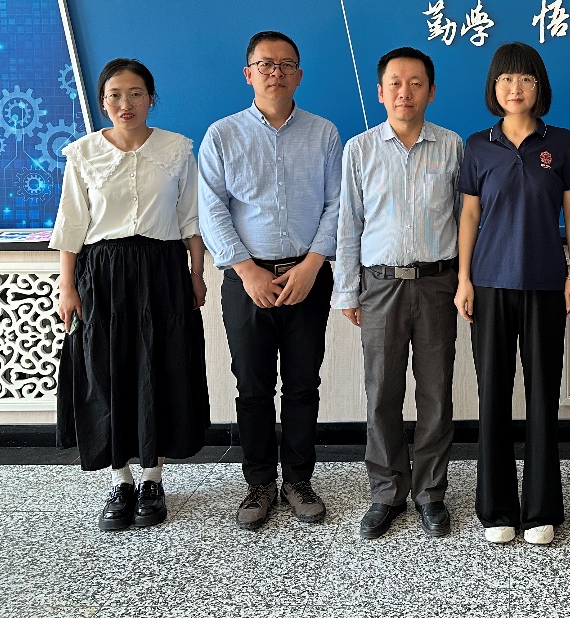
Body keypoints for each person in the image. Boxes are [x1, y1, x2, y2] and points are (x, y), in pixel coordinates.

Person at [52, 58, 209, 531]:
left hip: (163, 271)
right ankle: (119, 479)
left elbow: (190, 219)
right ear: (103, 102)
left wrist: (196, 274)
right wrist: (66, 286)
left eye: (136, 93)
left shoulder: (177, 149)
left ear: (151, 98)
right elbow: (71, 225)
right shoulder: (83, 154)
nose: (126, 103)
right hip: (101, 273)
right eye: (115, 95)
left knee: (160, 366)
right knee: (107, 370)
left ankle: (153, 479)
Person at [198, 31, 341, 530]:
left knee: (303, 384)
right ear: (249, 74)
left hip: (307, 275)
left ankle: (298, 480)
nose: (275, 72)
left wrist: (313, 264)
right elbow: (211, 208)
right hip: (247, 279)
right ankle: (259, 482)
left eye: (286, 64)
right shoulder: (222, 135)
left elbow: (337, 204)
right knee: (253, 387)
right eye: (265, 64)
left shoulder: (324, 133)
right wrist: (246, 270)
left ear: (299, 74)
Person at [455, 42, 570, 546]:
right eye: (506, 79)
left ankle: (541, 509)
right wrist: (464, 279)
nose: (516, 88)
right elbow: (469, 214)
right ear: (494, 86)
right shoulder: (478, 145)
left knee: (542, 396)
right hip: (489, 284)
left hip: (546, 283)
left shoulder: (562, 142)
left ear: (539, 87)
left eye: (526, 79)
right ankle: (496, 509)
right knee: (493, 395)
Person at [333, 46, 463, 540]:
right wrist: (348, 290)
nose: (404, 92)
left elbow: (466, 221)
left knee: (436, 393)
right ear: (381, 91)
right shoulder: (360, 149)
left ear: (432, 91)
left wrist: (464, 281)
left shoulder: (451, 146)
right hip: (379, 285)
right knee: (381, 392)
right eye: (395, 83)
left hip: (437, 283)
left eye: (415, 83)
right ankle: (386, 492)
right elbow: (349, 223)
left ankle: (430, 493)